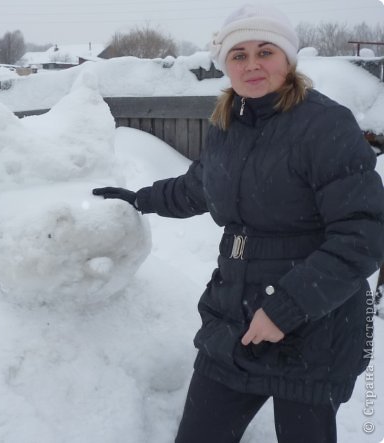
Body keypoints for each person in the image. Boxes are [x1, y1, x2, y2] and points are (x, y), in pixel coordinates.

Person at [93, 3, 384, 443]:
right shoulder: (229, 123)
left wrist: (285, 309)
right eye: (238, 54)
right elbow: (202, 185)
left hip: (313, 330)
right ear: (225, 64)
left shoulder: (327, 126)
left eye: (265, 51)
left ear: (287, 59)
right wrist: (140, 198)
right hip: (233, 318)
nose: (251, 65)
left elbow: (363, 234)